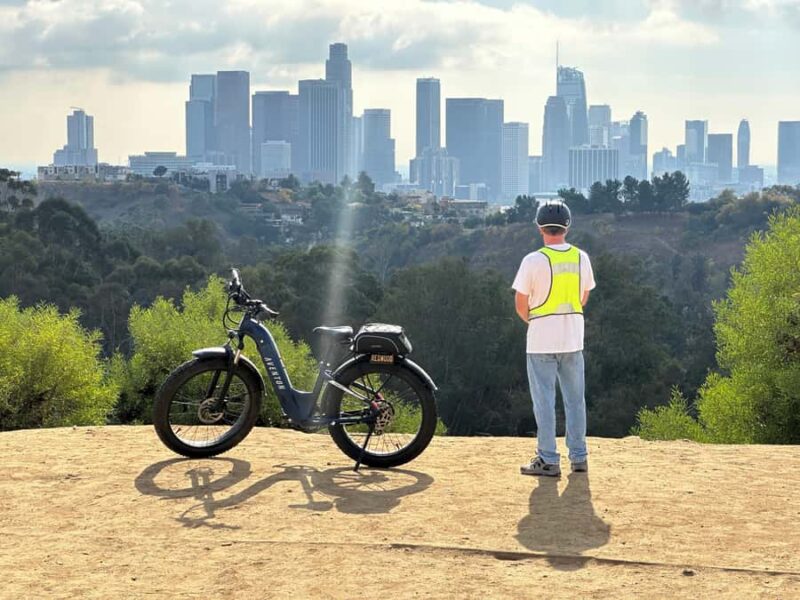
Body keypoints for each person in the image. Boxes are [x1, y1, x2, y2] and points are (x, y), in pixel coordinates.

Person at [512, 200, 595, 477]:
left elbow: (521, 302)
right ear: (567, 227)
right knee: (575, 399)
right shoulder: (581, 257)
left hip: (540, 340)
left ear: (539, 227)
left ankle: (548, 459)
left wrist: (533, 320)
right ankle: (579, 457)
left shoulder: (532, 260)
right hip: (573, 336)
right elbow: (584, 296)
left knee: (544, 401)